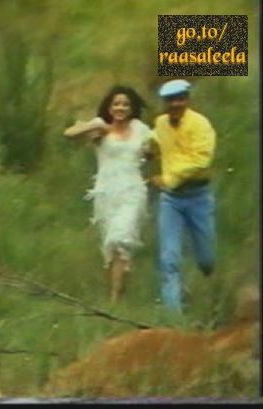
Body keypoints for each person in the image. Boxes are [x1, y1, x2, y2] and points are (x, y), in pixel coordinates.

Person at [64, 86, 152, 304]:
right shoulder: (100, 128)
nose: (121, 108)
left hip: (132, 191)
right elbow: (69, 134)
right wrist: (97, 126)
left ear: (132, 108)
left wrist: (149, 153)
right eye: (116, 104)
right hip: (106, 193)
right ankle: (118, 294)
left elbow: (152, 151)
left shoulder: (140, 129)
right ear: (109, 107)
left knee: (120, 238)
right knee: (111, 247)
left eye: (125, 104)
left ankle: (114, 298)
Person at [149, 79, 217, 312]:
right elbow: (156, 140)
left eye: (180, 99)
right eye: (170, 100)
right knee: (169, 258)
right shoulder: (161, 123)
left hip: (198, 196)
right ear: (164, 102)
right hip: (171, 199)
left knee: (206, 258)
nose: (175, 104)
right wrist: (149, 149)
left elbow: (200, 160)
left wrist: (168, 178)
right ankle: (173, 316)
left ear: (187, 100)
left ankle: (211, 291)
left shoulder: (200, 125)